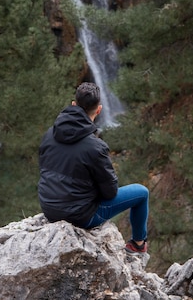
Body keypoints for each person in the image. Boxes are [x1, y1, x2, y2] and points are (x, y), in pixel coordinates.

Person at [38, 82, 149, 254]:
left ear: (74, 104)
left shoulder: (49, 134)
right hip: (80, 216)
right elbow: (110, 192)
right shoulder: (96, 147)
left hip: (49, 208)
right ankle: (138, 244)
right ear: (99, 110)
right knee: (142, 193)